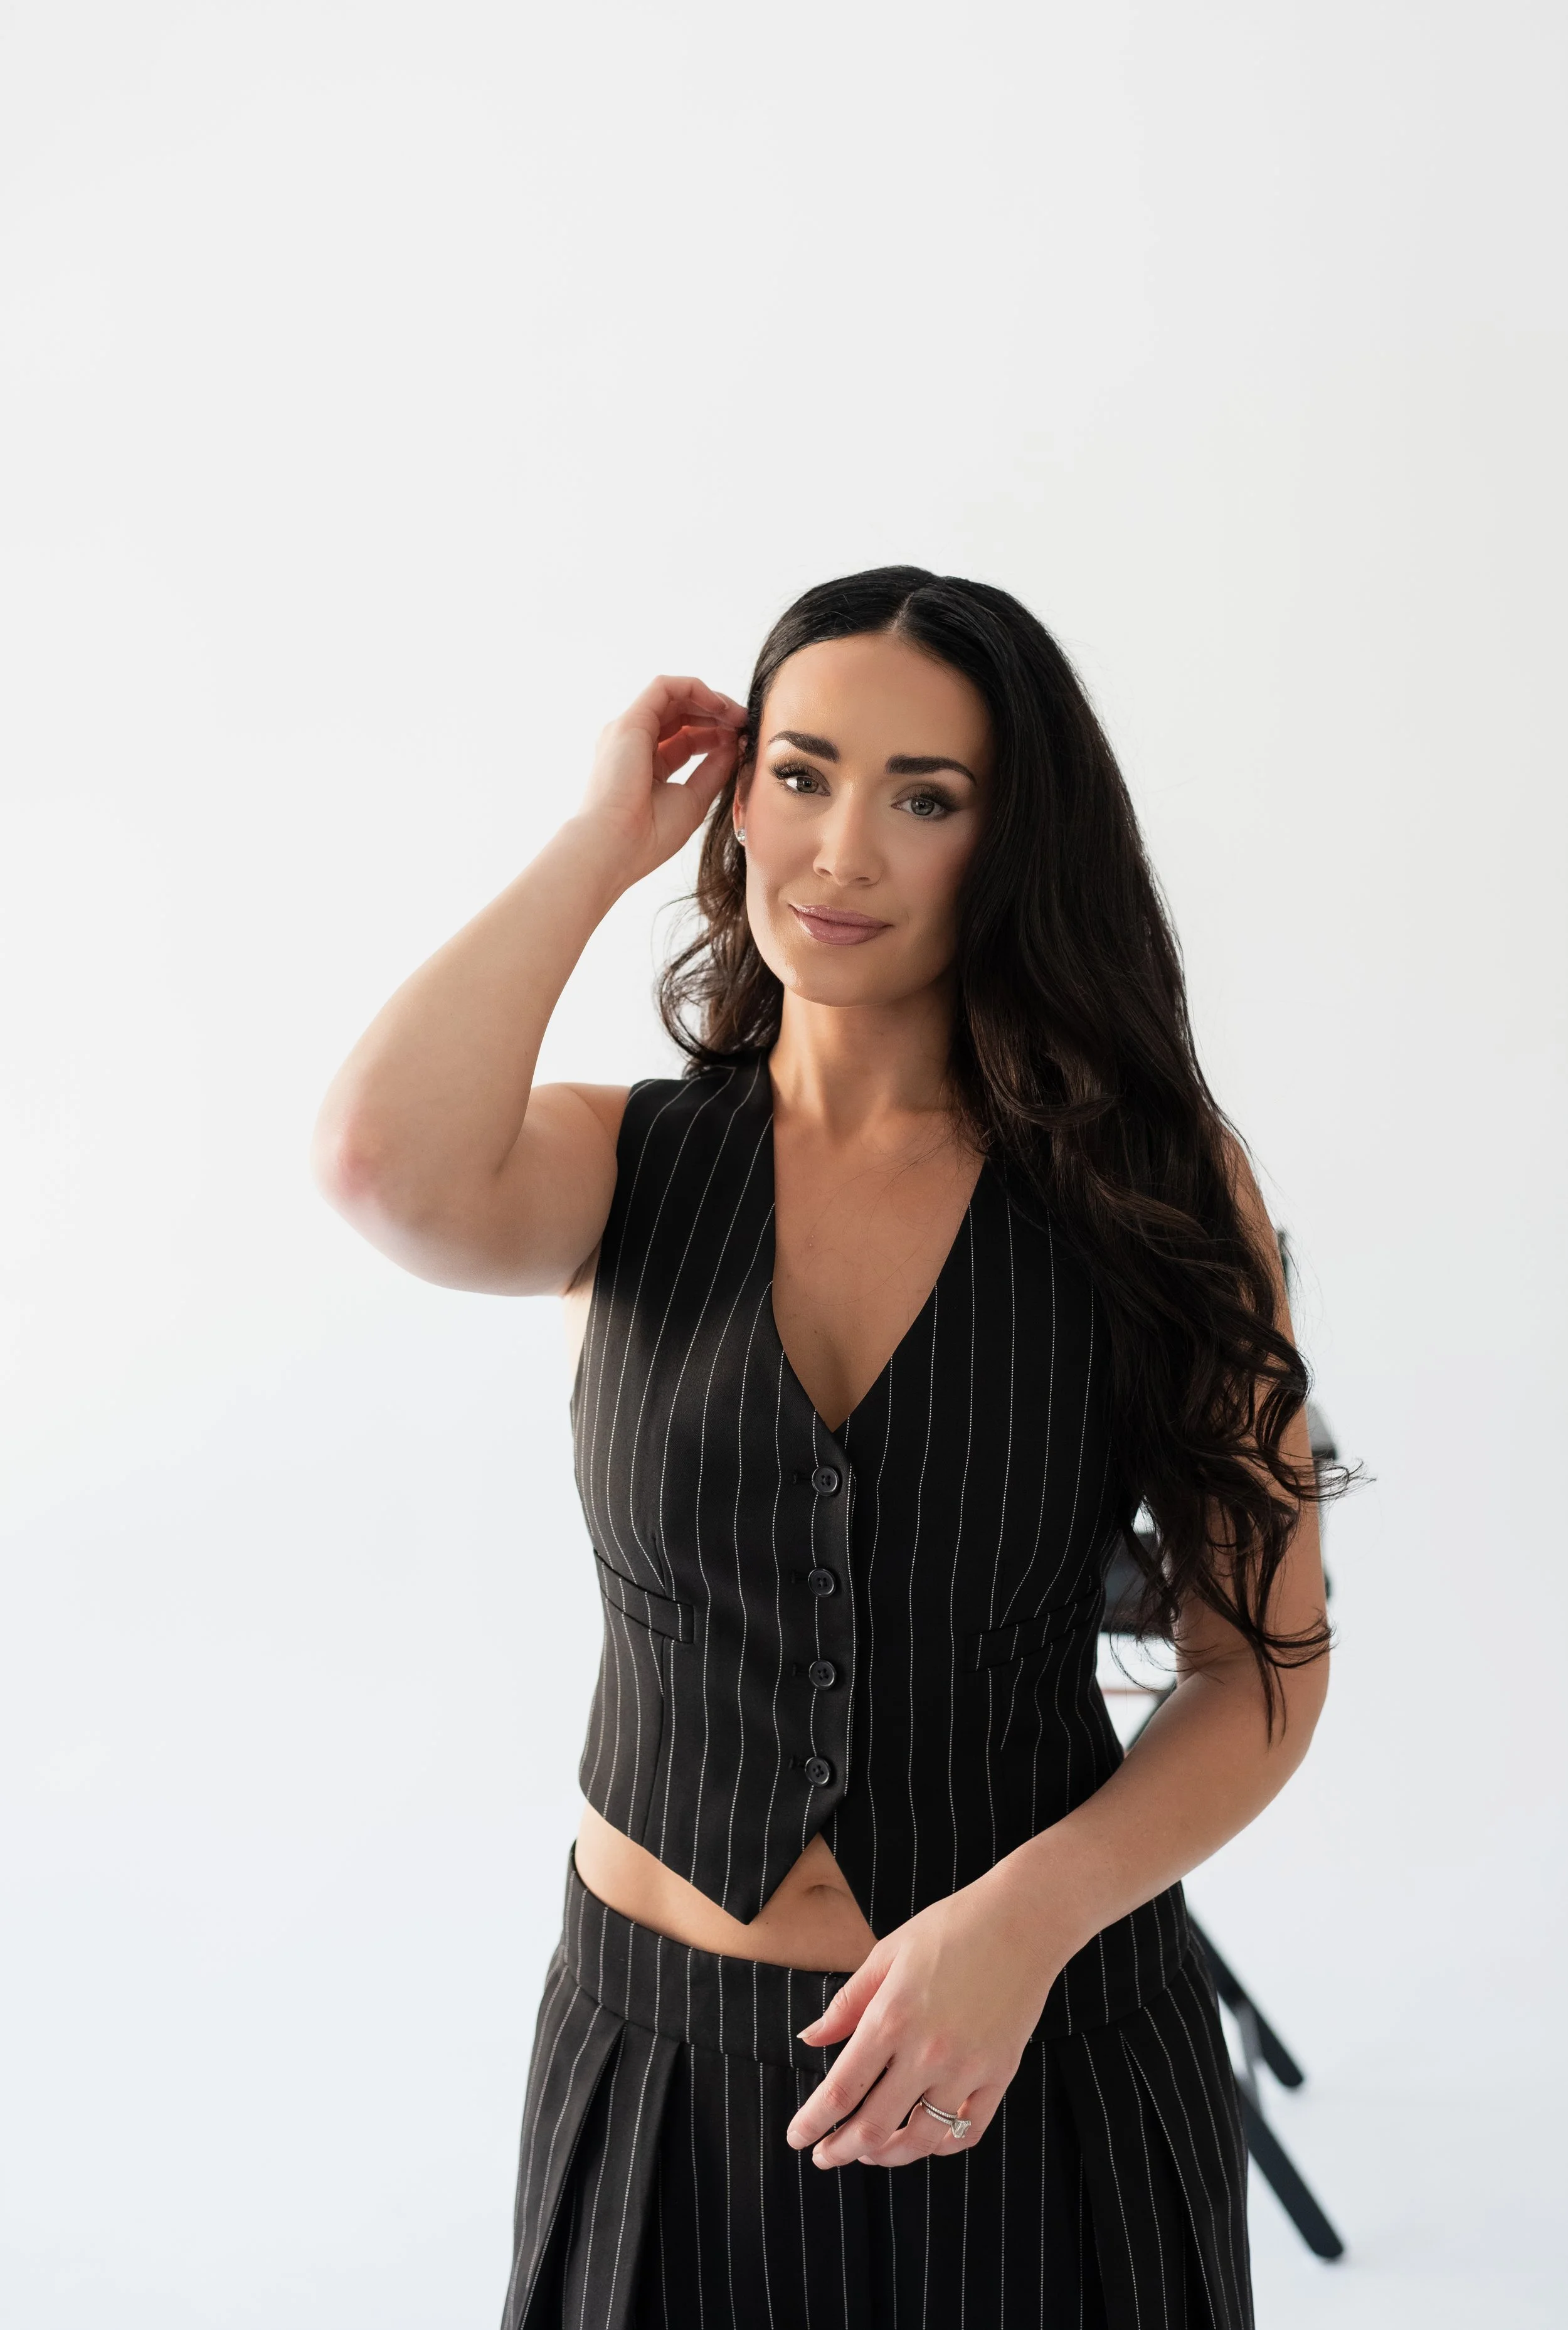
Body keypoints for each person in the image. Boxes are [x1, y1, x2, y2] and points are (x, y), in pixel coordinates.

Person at [312, 566, 1335, 2328]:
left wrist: (1023, 1923)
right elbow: (377, 1168)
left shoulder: (1151, 1194)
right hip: (663, 2079)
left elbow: (1259, 1669)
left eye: (921, 797)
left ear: (1010, 846)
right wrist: (595, 842)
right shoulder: (611, 1168)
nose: (838, 850)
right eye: (798, 774)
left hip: (1042, 2060)